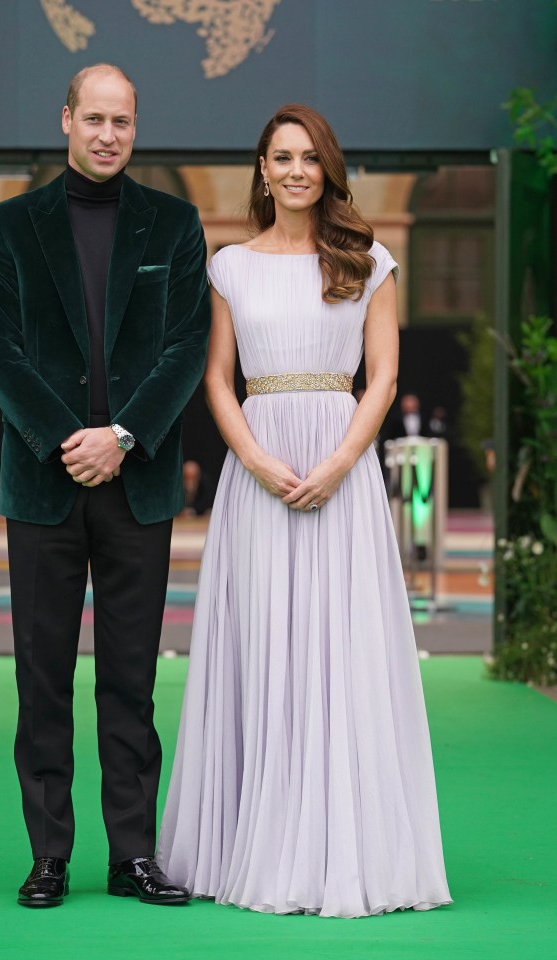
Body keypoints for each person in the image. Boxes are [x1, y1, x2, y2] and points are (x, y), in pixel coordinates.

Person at [158, 104, 452, 917]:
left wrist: (336, 463)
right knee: (260, 648)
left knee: (338, 647)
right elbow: (217, 377)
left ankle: (341, 848)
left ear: (327, 169)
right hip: (255, 476)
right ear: (261, 168)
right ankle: (251, 837)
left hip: (340, 470)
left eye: (308, 158)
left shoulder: (369, 261)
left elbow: (382, 378)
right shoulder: (229, 268)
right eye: (280, 156)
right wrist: (250, 457)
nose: (294, 170)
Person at [0, 64, 210, 908]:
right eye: (94, 118)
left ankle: (133, 856)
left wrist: (122, 436)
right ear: (65, 118)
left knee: (130, 678)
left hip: (135, 485)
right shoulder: (8, 227)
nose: (108, 134)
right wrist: (69, 442)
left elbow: (187, 346)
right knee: (40, 678)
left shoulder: (176, 226)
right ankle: (48, 856)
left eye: (123, 121)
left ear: (135, 128)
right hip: (41, 486)